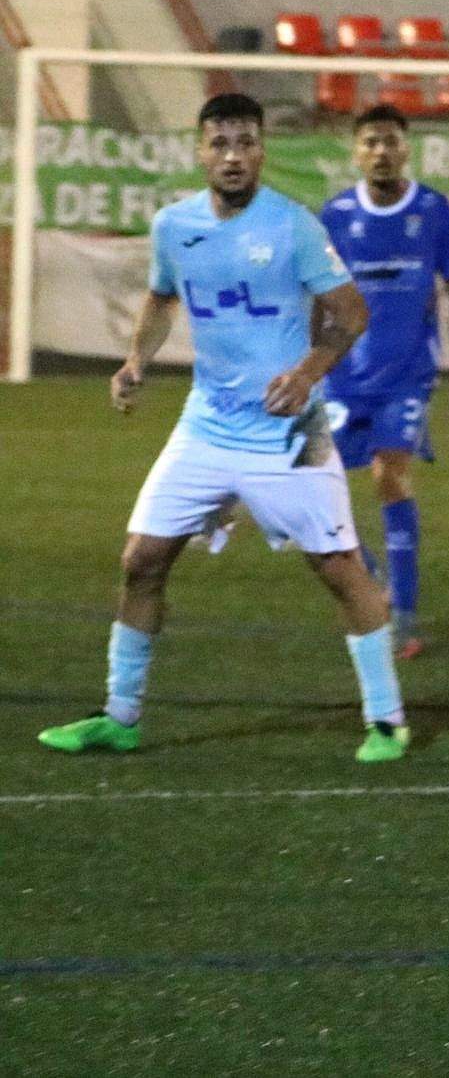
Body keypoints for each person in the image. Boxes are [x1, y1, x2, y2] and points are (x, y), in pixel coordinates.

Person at [36, 92, 409, 763]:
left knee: (338, 568)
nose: (233, 157)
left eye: (246, 143)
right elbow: (160, 297)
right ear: (201, 150)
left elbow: (351, 312)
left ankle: (387, 720)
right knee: (142, 560)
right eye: (220, 143)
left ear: (263, 150)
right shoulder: (174, 226)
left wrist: (306, 375)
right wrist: (134, 362)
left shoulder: (292, 226)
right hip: (206, 426)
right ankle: (120, 717)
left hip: (291, 431)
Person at [319, 104, 449, 659]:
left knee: (390, 475)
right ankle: (372, 581)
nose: (381, 151)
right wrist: (307, 370)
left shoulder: (434, 211)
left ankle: (406, 615)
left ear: (407, 148)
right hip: (343, 377)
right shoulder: (337, 214)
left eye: (391, 141)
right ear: (355, 151)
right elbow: (320, 301)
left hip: (407, 378)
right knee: (316, 494)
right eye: (370, 142)